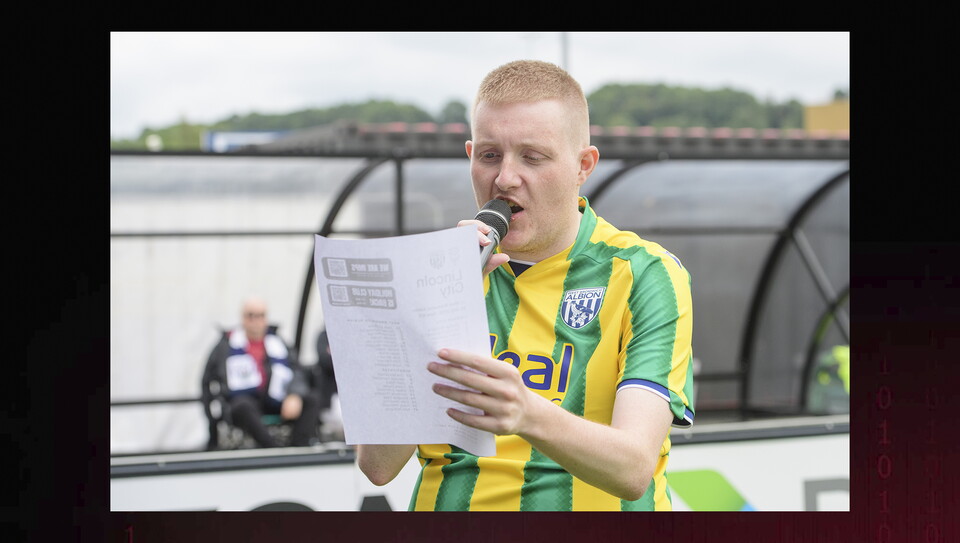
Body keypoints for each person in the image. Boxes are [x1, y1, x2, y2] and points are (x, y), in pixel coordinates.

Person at [357, 60, 695, 511]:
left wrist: (527, 413)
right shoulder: (437, 274)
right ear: (470, 156)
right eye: (490, 155)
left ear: (583, 165)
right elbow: (377, 466)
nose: (505, 178)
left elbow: (634, 468)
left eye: (532, 157)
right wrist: (439, 305)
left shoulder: (645, 274)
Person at [202, 296, 321, 448]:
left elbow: (297, 370)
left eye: (260, 315)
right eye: (250, 315)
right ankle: (273, 449)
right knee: (242, 406)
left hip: (276, 400)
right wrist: (212, 421)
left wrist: (294, 394)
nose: (256, 320)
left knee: (312, 399)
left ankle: (299, 447)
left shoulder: (278, 342)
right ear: (242, 318)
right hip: (244, 405)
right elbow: (207, 381)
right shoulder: (226, 346)